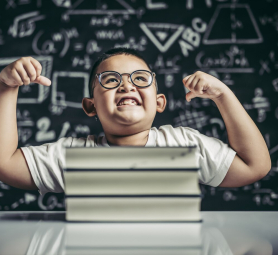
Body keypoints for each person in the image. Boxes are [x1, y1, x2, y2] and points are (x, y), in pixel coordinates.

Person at [0, 48, 271, 196]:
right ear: (90, 106)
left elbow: (254, 166)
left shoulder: (185, 144)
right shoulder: (72, 156)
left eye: (140, 79)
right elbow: (5, 164)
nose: (126, 86)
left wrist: (223, 96)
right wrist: (7, 86)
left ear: (159, 102)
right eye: (110, 80)